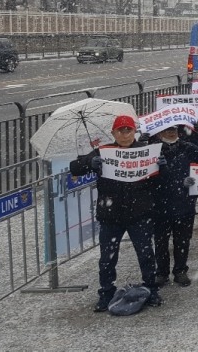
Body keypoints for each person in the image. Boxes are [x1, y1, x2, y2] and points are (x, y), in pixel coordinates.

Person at [70, 115, 163, 312]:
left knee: (146, 254)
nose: (125, 134)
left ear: (134, 132)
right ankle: (106, 293)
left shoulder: (146, 152)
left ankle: (151, 289)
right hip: (111, 215)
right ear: (113, 133)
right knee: (107, 258)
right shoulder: (104, 152)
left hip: (139, 213)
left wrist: (162, 167)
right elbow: (74, 167)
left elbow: (160, 183)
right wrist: (90, 163)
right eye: (120, 130)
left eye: (128, 129)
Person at [152, 122, 198, 288]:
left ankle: (180, 271)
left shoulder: (188, 147)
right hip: (160, 203)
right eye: (167, 129)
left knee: (182, 240)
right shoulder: (152, 150)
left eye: (174, 129)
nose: (171, 132)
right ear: (159, 132)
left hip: (184, 201)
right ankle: (162, 273)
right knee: (161, 241)